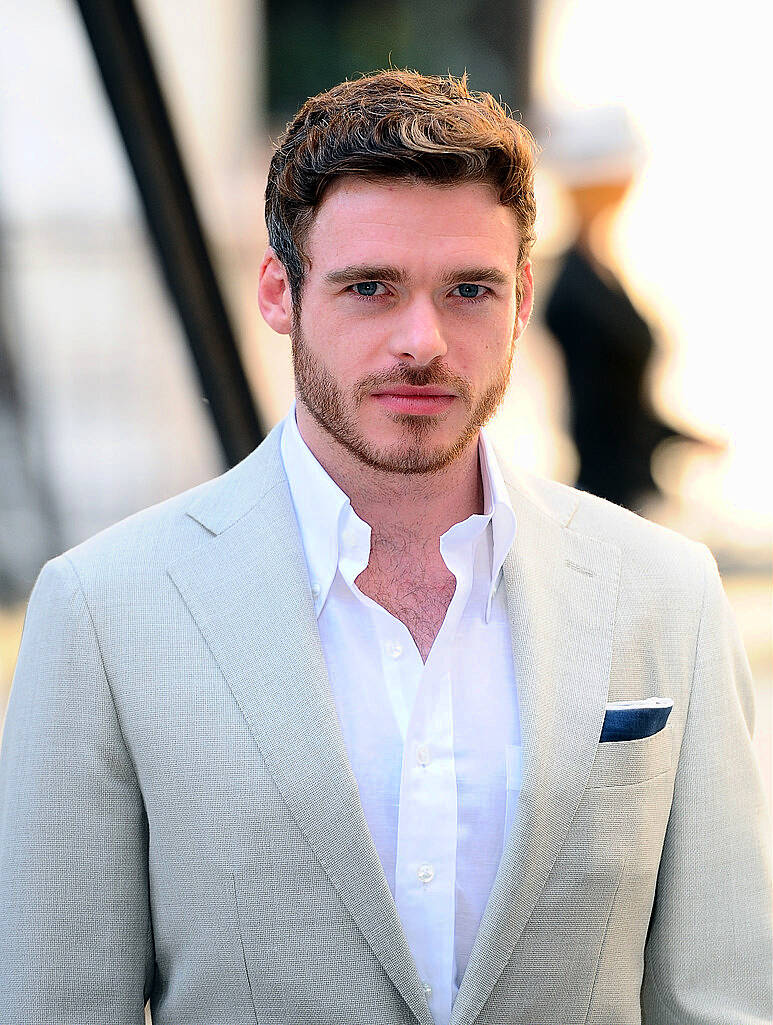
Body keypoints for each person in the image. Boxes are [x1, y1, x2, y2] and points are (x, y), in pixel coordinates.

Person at [0, 70, 769, 1025]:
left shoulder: (667, 594)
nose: (423, 340)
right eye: (370, 286)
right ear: (279, 292)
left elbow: (723, 1003)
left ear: (522, 297)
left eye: (468, 290)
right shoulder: (105, 612)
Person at [542, 106, 718, 512]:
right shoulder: (577, 290)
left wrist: (681, 436)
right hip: (611, 499)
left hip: (622, 493)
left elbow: (624, 405)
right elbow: (596, 416)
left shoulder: (598, 275)